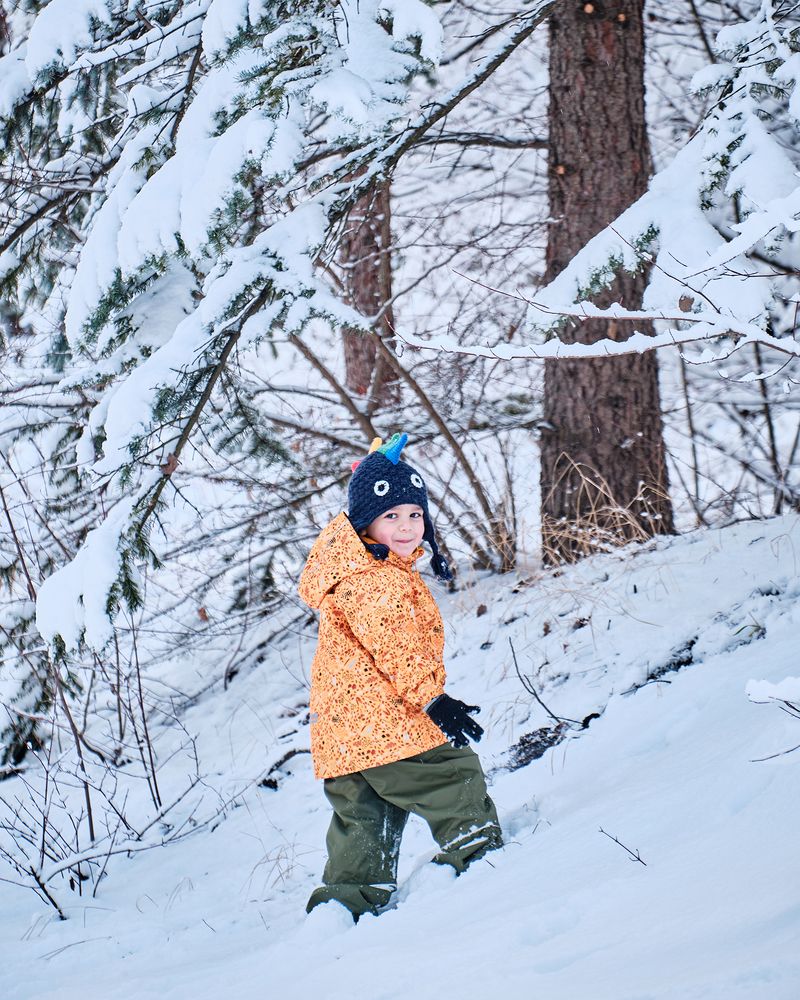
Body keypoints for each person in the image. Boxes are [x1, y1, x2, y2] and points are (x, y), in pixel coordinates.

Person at [298, 432, 502, 920]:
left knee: (364, 819)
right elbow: (397, 648)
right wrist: (435, 701)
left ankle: (346, 903)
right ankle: (483, 858)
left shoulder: (353, 570)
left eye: (415, 514)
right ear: (366, 521)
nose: (407, 527)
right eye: (392, 516)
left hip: (341, 737)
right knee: (451, 777)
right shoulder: (375, 579)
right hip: (387, 723)